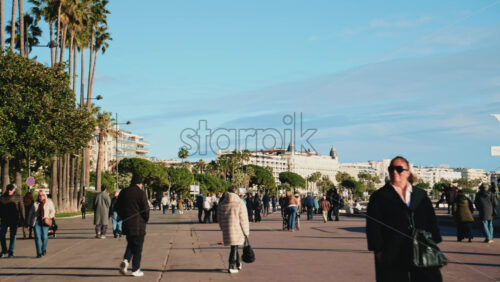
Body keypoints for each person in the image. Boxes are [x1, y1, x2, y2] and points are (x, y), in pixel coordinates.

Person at [366, 156, 442, 282]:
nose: (395, 172)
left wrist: (433, 242)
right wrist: (378, 251)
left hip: (421, 250)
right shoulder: (379, 197)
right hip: (392, 252)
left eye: (399, 169)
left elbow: (431, 222)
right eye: (391, 169)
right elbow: (373, 227)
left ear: (408, 172)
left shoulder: (421, 195)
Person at [117, 175, 150, 277]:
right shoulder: (140, 193)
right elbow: (146, 209)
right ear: (139, 184)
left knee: (131, 244)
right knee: (138, 248)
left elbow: (117, 207)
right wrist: (145, 219)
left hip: (127, 224)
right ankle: (136, 270)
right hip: (138, 225)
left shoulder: (123, 192)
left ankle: (126, 261)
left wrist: (123, 218)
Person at [217, 186, 250, 274]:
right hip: (237, 228)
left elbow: (219, 217)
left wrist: (222, 227)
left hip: (227, 227)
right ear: (236, 191)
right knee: (234, 246)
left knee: (234, 246)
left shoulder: (222, 202)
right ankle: (231, 266)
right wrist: (246, 232)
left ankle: (238, 263)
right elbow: (243, 219)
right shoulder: (240, 202)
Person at [0, 184, 25, 258]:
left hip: (14, 219)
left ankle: (11, 252)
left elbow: (22, 208)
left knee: (13, 236)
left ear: (14, 190)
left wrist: (23, 219)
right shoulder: (2, 197)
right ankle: (4, 250)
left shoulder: (18, 197)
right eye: (8, 189)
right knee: (1, 235)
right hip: (4, 219)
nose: (9, 191)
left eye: (10, 190)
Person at [29, 191, 55, 258]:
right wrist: (28, 223)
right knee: (37, 237)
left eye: (42, 195)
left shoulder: (49, 202)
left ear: (45, 195)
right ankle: (39, 253)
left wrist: (49, 217)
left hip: (45, 221)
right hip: (36, 222)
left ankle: (43, 249)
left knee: (45, 237)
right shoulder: (35, 203)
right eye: (39, 195)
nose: (41, 196)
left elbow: (53, 211)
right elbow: (30, 213)